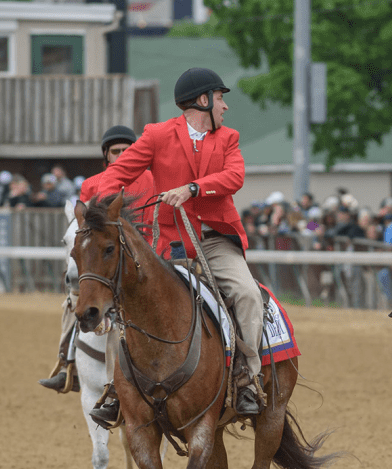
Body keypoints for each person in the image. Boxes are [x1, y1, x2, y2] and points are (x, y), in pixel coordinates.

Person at [91, 67, 264, 423]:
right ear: (203, 100)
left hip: (215, 242)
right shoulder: (156, 135)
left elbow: (235, 177)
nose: (224, 107)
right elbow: (117, 173)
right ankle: (115, 389)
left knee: (247, 293)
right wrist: (103, 202)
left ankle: (248, 377)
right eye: (220, 98)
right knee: (127, 300)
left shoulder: (228, 138)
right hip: (168, 244)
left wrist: (193, 188)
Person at [39, 125, 157, 396]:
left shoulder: (152, 179)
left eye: (128, 150)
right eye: (116, 151)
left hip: (147, 257)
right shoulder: (92, 184)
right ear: (107, 155)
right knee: (73, 297)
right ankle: (67, 363)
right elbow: (86, 230)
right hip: (107, 261)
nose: (122, 154)